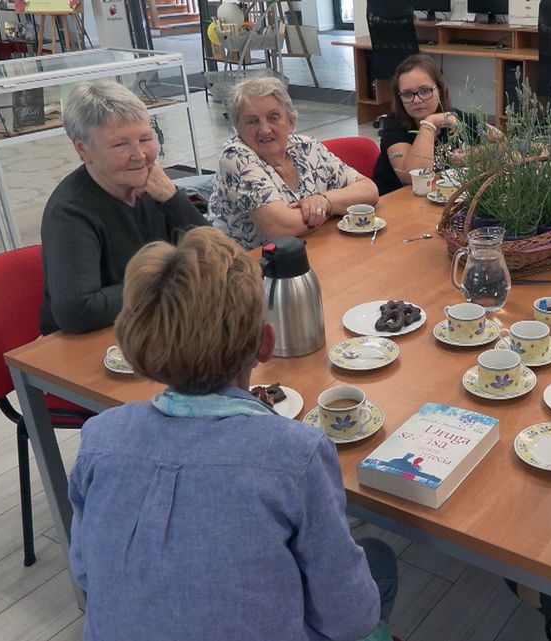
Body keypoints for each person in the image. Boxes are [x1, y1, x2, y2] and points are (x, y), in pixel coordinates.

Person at [69, 226, 397, 641]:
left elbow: (85, 570)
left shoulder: (99, 438)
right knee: (379, 560)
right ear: (266, 344)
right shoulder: (296, 454)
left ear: (139, 344)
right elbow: (350, 618)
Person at [39, 81, 207, 335]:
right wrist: (171, 279)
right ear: (83, 149)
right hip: (91, 345)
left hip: (152, 325)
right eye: (120, 145)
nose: (139, 154)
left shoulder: (154, 188)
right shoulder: (70, 211)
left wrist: (173, 199)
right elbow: (77, 310)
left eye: (145, 139)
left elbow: (217, 256)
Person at [208, 77, 379, 249]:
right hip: (243, 268)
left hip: (307, 252)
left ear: (290, 123)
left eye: (273, 118)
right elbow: (282, 227)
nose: (265, 129)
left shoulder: (305, 147)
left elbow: (369, 190)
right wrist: (332, 209)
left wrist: (324, 201)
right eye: (252, 121)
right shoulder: (235, 157)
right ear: (238, 128)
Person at [373, 54, 484, 196]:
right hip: (395, 203)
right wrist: (430, 123)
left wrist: (469, 155)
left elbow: (501, 142)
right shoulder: (394, 125)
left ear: (440, 89)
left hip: (436, 198)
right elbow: (413, 176)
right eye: (407, 94)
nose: (417, 100)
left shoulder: (452, 116)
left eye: (424, 91)